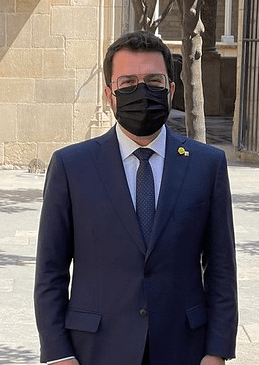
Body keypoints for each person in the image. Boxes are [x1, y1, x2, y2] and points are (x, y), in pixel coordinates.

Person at [34, 31, 237, 365]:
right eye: (127, 82)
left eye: (154, 81)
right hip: (95, 350)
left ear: (171, 90)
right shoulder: (71, 167)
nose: (142, 91)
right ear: (109, 95)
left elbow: (221, 268)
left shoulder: (207, 165)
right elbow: (50, 271)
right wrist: (59, 354)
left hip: (184, 348)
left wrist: (217, 352)